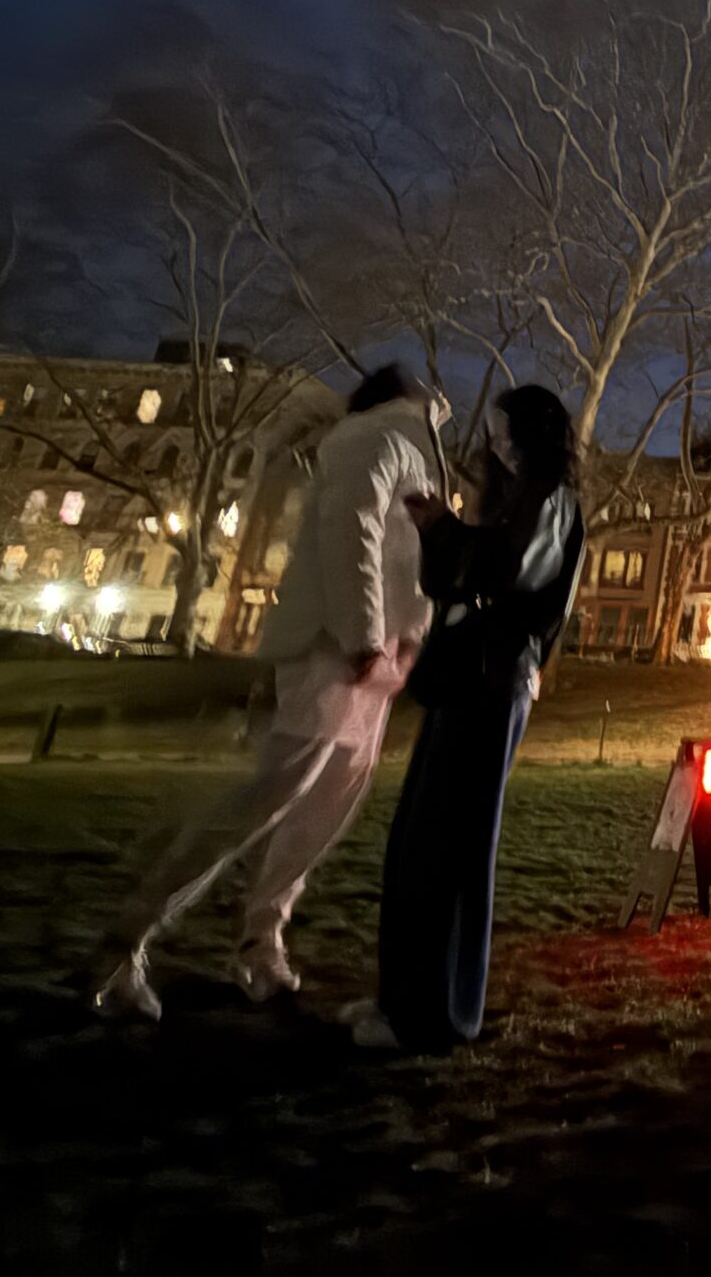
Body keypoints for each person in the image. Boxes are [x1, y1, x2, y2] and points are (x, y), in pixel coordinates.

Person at [93, 366, 442, 1021]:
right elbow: (353, 528)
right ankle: (125, 944)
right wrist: (364, 636)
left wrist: (407, 636)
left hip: (374, 658)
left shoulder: (406, 441)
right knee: (272, 796)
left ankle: (260, 944)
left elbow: (402, 553)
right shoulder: (379, 436)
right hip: (338, 652)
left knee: (324, 805)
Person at [357, 385, 583, 1051]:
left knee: (451, 847)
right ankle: (405, 1000)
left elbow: (509, 573)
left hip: (491, 683)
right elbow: (461, 574)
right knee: (420, 840)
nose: (495, 444)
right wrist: (445, 533)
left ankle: (438, 1014)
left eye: (505, 432)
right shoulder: (521, 503)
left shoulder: (552, 503)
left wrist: (444, 532)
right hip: (468, 679)